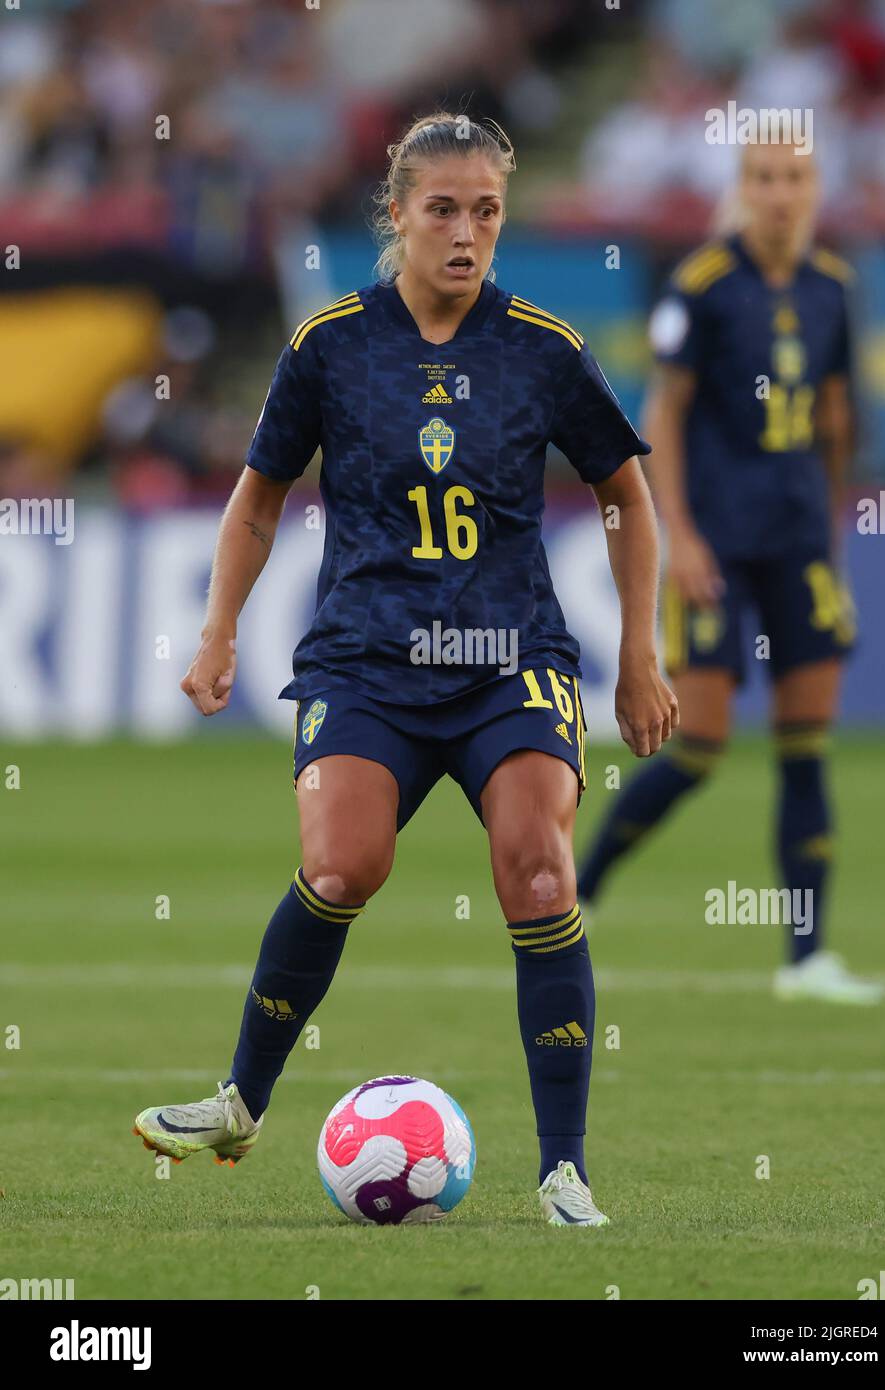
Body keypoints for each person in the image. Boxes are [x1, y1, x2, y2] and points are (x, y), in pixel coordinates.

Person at [133, 112, 678, 1225]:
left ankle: (563, 1168)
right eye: (443, 209)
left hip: (505, 658)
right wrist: (217, 630)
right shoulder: (331, 343)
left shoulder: (542, 349)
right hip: (367, 661)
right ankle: (242, 1098)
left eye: (486, 210)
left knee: (537, 872)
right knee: (342, 870)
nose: (467, 232)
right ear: (396, 215)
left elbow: (626, 494)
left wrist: (641, 656)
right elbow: (259, 497)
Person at [578, 138, 884, 1006]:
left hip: (799, 544)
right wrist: (681, 534)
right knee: (699, 746)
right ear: (742, 189)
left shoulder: (833, 287)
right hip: (717, 540)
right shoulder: (704, 285)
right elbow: (663, 414)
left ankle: (807, 958)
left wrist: (834, 545)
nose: (779, 194)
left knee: (805, 749)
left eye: (794, 179)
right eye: (763, 179)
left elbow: (835, 418)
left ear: (815, 189)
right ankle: (581, 890)